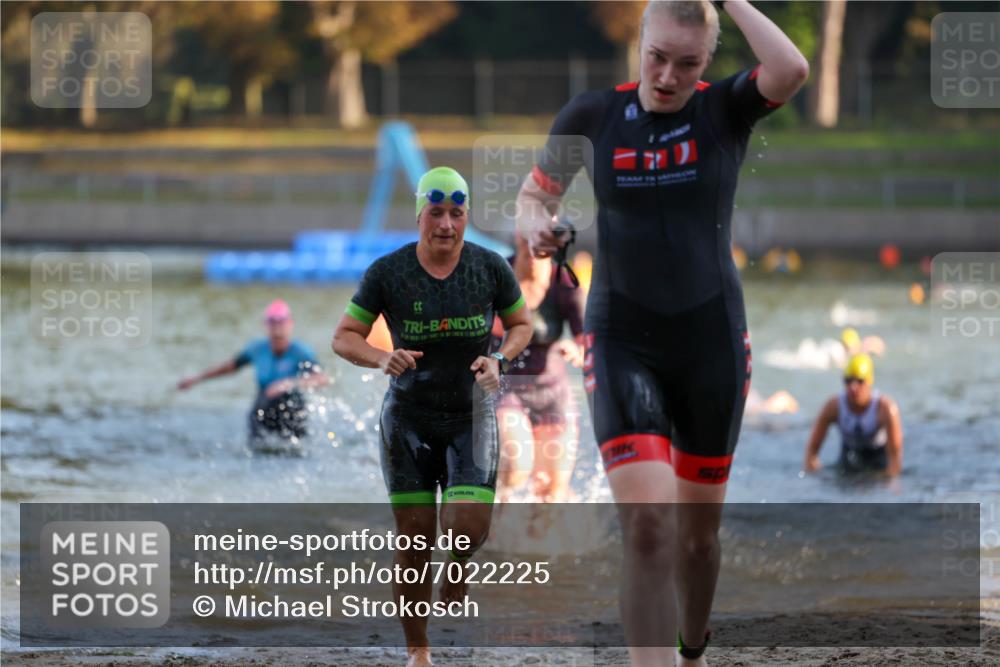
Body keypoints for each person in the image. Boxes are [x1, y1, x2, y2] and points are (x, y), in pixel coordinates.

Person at [516, 1, 808, 664]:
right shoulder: (591, 117)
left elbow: (791, 68)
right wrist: (537, 223)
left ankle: (693, 647)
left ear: (707, 63)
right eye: (657, 57)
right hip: (622, 339)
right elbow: (536, 196)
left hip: (711, 342)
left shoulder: (723, 111)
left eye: (687, 63)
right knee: (648, 526)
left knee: (697, 541)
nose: (668, 76)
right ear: (639, 42)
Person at [331, 166, 532, 667]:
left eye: (457, 214)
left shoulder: (489, 268)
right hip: (408, 419)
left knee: (466, 527)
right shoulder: (388, 272)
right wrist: (381, 359)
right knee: (416, 540)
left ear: (467, 216)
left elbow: (522, 325)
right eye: (436, 213)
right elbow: (343, 337)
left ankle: (459, 565)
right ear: (419, 214)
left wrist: (499, 359)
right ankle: (418, 650)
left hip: (472, 414)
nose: (446, 224)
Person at [494, 233, 586, 503]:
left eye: (544, 242)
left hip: (553, 392)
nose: (535, 248)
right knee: (515, 467)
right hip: (506, 387)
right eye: (529, 237)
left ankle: (540, 543)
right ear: (518, 237)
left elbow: (588, 342)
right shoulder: (495, 275)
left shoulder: (565, 282)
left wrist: (577, 350)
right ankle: (490, 520)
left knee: (550, 494)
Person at [177, 299, 329, 450]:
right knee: (256, 431)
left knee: (295, 433)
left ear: (290, 324)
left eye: (281, 323)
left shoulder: (301, 352)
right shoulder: (257, 349)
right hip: (264, 405)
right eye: (272, 324)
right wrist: (196, 379)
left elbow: (322, 379)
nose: (277, 330)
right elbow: (229, 367)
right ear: (266, 326)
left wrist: (289, 384)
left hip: (290, 406)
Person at [804, 353, 903, 477]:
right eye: (848, 381)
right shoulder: (833, 406)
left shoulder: (885, 408)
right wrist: (812, 475)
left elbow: (895, 459)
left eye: (860, 381)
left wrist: (892, 482)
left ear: (869, 382)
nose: (853, 387)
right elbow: (811, 451)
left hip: (878, 456)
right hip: (849, 454)